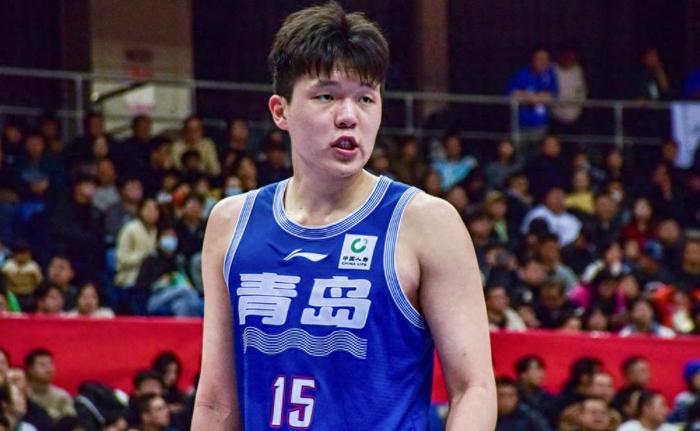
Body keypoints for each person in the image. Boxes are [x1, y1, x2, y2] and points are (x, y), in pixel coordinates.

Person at [192, 2, 496, 430]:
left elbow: (473, 389)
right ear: (280, 111)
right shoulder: (231, 223)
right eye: (327, 96)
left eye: (366, 98)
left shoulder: (426, 224)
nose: (349, 116)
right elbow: (215, 402)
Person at [24, 349, 76, 422]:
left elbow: (71, 422)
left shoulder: (61, 396)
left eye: (51, 363)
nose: (49, 369)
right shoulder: (20, 394)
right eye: (42, 365)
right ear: (30, 369)